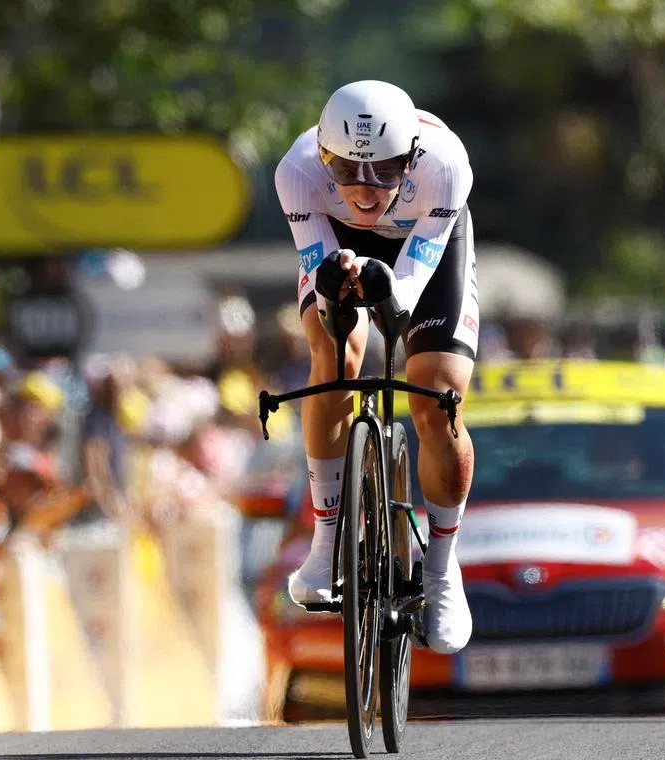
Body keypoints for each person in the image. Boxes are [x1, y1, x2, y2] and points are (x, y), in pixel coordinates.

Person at [274, 80, 479, 654]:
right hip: (339, 249)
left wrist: (389, 291)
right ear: (323, 156)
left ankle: (440, 569)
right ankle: (326, 541)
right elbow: (320, 278)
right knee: (333, 351)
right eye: (346, 170)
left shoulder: (446, 165)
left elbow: (412, 282)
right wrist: (337, 286)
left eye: (385, 171)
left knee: (435, 399)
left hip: (422, 254)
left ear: (411, 157)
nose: (364, 190)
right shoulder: (296, 171)